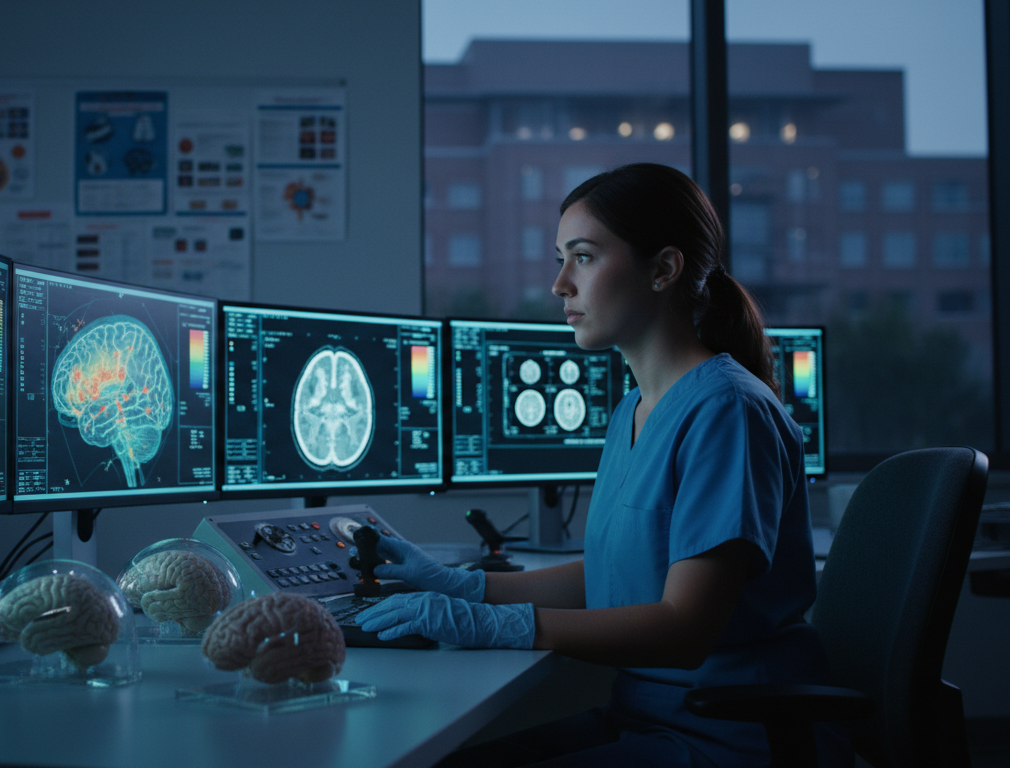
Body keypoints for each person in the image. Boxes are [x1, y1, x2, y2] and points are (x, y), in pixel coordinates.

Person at [355, 164, 846, 767]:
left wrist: (503, 625)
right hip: (648, 718)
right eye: (560, 259)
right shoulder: (634, 410)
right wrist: (463, 586)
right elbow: (615, 574)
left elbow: (683, 627)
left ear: (664, 269)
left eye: (583, 257)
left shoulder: (727, 412)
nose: (561, 284)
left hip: (734, 735)